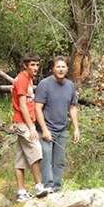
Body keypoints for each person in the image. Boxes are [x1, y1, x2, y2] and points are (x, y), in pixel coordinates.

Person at [34, 56, 80, 193]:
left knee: (59, 161)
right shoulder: (44, 84)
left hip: (62, 129)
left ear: (67, 68)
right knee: (46, 158)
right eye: (58, 66)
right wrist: (44, 129)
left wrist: (76, 128)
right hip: (46, 129)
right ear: (53, 68)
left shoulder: (70, 86)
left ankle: (57, 187)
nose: (60, 69)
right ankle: (48, 187)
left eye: (63, 67)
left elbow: (72, 107)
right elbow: (37, 108)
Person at [11, 53, 48, 201]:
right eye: (32, 65)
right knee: (36, 150)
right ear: (25, 65)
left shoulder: (28, 79)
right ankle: (39, 186)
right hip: (24, 123)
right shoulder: (22, 79)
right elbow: (22, 105)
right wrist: (31, 127)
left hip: (21, 122)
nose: (36, 68)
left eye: (37, 65)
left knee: (20, 159)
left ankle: (21, 192)